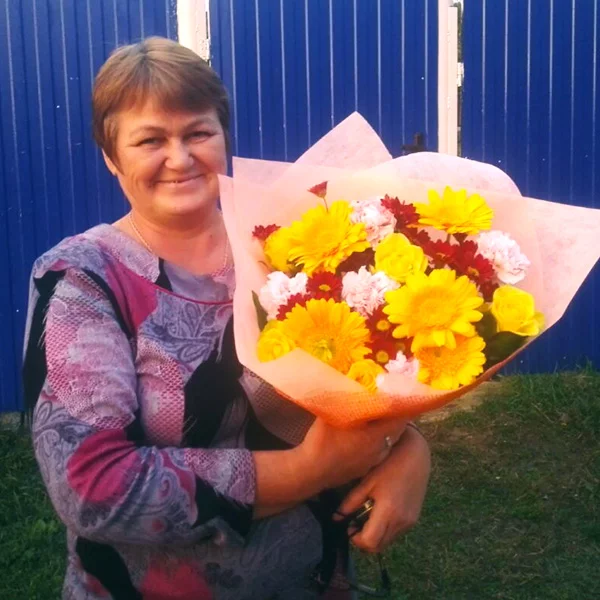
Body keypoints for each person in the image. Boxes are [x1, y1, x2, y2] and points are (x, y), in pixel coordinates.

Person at [23, 37, 431, 599]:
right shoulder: (84, 279)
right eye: (150, 140)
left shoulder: (289, 244)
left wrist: (409, 447)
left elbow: (373, 368)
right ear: (111, 157)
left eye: (198, 133)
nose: (180, 158)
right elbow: (93, 487)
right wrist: (313, 469)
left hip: (313, 580)